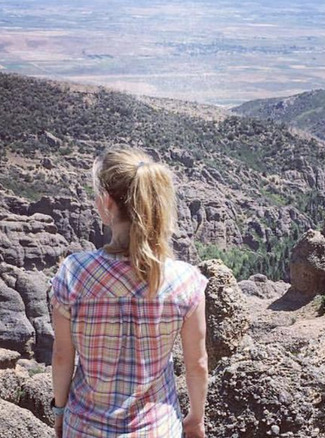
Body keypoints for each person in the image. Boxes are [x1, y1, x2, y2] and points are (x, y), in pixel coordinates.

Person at [50, 147, 209, 438]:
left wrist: (59, 414)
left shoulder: (72, 273)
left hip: (84, 427)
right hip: (156, 430)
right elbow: (196, 364)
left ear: (108, 203)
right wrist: (196, 418)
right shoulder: (186, 281)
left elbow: (62, 356)